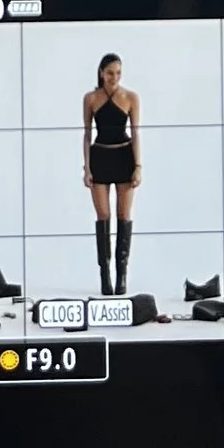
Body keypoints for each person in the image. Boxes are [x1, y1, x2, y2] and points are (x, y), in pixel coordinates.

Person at [82, 50, 142, 295]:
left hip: (124, 156)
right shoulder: (90, 98)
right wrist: (87, 167)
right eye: (109, 72)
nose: (113, 77)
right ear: (101, 72)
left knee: (123, 214)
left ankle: (122, 276)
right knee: (103, 215)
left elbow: (136, 133)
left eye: (117, 73)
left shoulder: (131, 97)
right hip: (100, 156)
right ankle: (105, 276)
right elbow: (87, 134)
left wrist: (138, 166)